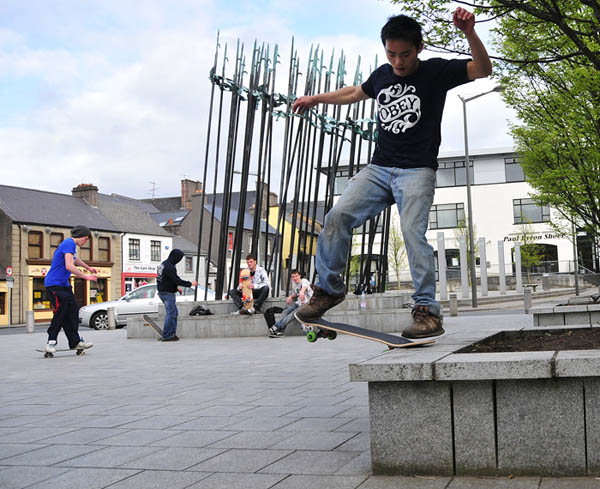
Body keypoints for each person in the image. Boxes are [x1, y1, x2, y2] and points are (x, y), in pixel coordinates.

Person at [292, 8, 492, 339]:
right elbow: (354, 93)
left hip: (416, 171)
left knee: (413, 234)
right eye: (392, 54)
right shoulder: (382, 75)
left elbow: (482, 70)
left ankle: (427, 311)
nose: (398, 62)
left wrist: (469, 33)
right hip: (379, 167)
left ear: (419, 49)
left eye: (405, 55)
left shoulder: (437, 72)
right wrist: (316, 98)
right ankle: (328, 290)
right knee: (337, 216)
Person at [44, 225, 97, 354]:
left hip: (64, 285)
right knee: (61, 312)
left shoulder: (71, 246)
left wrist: (88, 267)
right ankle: (51, 341)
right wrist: (86, 277)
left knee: (72, 312)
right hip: (54, 284)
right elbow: (69, 266)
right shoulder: (69, 243)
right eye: (86, 240)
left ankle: (75, 342)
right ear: (83, 237)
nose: (85, 243)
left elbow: (75, 259)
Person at [157, 249, 197, 341]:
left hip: (162, 292)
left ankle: (171, 333)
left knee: (174, 313)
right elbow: (176, 280)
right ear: (175, 257)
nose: (179, 261)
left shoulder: (163, 264)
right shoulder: (170, 267)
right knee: (171, 314)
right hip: (168, 293)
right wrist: (190, 284)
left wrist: (175, 288)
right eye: (179, 258)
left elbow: (163, 280)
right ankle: (167, 335)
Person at [268, 269, 313, 337]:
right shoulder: (294, 284)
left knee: (293, 313)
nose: (295, 278)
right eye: (293, 277)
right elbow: (296, 293)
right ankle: (281, 331)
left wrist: (302, 292)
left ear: (299, 276)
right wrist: (291, 297)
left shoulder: (304, 281)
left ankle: (277, 326)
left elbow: (304, 288)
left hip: (308, 304)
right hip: (299, 303)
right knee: (285, 312)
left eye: (296, 276)